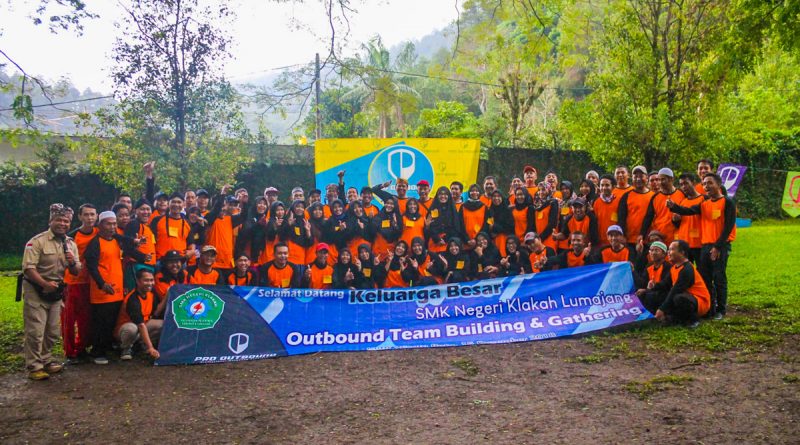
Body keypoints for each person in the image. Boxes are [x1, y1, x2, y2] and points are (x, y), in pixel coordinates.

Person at [21, 203, 81, 380]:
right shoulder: (37, 241)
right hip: (36, 288)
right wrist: (44, 284)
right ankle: (34, 366)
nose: (63, 224)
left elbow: (77, 270)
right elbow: (28, 268)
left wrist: (72, 261)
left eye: (66, 221)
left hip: (55, 291)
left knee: (53, 330)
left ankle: (46, 359)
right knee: (36, 330)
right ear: (50, 221)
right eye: (59, 220)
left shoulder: (70, 244)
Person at [667, 173, 736, 319]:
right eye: (704, 184)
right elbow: (688, 211)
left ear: (718, 184)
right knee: (705, 278)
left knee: (719, 277)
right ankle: (709, 308)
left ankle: (721, 309)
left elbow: (728, 226)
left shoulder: (727, 202)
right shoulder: (704, 204)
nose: (706, 186)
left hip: (720, 246)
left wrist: (718, 246)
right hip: (704, 246)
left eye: (710, 183)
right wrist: (674, 207)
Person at [85, 211, 149, 365]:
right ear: (100, 225)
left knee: (112, 320)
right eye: (109, 223)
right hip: (102, 291)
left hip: (117, 290)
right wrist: (102, 284)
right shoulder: (95, 243)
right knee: (101, 322)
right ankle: (97, 352)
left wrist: (141, 255)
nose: (112, 227)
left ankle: (108, 348)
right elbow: (91, 266)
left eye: (114, 224)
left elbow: (127, 247)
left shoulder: (115, 240)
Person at [640, 240, 711, 328]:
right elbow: (665, 284)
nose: (669, 253)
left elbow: (676, 290)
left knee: (678, 298)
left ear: (682, 252)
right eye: (669, 250)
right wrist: (650, 289)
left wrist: (662, 309)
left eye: (672, 249)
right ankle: (672, 318)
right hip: (684, 295)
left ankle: (692, 320)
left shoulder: (687, 269)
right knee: (657, 295)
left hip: (699, 302)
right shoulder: (674, 268)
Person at [62, 203, 97, 364]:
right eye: (86, 214)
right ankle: (70, 352)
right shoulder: (72, 237)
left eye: (92, 214)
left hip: (91, 282)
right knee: (69, 319)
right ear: (80, 216)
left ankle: (82, 348)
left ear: (96, 216)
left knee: (86, 318)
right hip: (73, 282)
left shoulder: (99, 233)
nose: (89, 218)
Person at [114, 268, 162, 361]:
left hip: (143, 324)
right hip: (126, 328)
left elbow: (156, 312)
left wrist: (167, 295)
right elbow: (140, 325)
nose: (150, 283)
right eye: (146, 280)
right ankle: (125, 348)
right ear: (138, 281)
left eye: (151, 280)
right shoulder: (132, 299)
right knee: (132, 329)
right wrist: (151, 347)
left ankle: (141, 345)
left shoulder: (151, 294)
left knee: (163, 324)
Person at [205, 186, 246, 274]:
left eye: (224, 206)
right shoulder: (210, 219)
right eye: (221, 206)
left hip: (227, 263)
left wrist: (244, 203)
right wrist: (223, 194)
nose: (223, 209)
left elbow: (244, 216)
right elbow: (215, 210)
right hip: (213, 263)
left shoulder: (230, 219)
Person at [641, 168, 684, 244]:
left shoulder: (681, 194)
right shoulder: (655, 197)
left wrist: (678, 219)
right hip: (660, 237)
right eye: (659, 180)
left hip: (677, 237)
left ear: (671, 179)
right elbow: (648, 218)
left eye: (663, 179)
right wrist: (641, 235)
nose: (660, 182)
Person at [150, 192, 194, 261]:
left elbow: (191, 242)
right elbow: (151, 239)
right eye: (173, 202)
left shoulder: (187, 223)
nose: (176, 204)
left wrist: (192, 251)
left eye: (179, 202)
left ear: (183, 204)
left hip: (180, 261)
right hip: (161, 260)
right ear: (168, 203)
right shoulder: (157, 220)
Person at [618, 165, 654, 247]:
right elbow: (621, 218)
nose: (638, 179)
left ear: (647, 178)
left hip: (649, 240)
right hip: (629, 240)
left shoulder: (653, 196)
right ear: (632, 178)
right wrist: (622, 235)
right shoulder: (626, 196)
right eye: (635, 176)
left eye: (641, 176)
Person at [673, 173, 704, 262]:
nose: (684, 187)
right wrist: (675, 220)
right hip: (685, 243)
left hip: (699, 243)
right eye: (681, 184)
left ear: (693, 183)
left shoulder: (703, 199)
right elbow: (678, 224)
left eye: (686, 183)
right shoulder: (683, 202)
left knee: (702, 269)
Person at [425, 186, 465, 253]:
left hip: (449, 243)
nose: (443, 196)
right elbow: (430, 226)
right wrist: (437, 239)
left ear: (449, 196)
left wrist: (445, 239)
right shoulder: (433, 208)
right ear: (437, 196)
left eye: (445, 194)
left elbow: (456, 227)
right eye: (440, 194)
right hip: (434, 243)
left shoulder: (452, 210)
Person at [634, 241, 670, 311]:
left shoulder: (668, 267)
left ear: (664, 254)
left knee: (651, 295)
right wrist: (633, 271)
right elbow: (643, 283)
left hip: (662, 294)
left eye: (656, 250)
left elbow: (665, 286)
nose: (653, 253)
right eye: (651, 250)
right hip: (650, 291)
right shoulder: (649, 266)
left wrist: (646, 290)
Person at [153, 250, 186, 317]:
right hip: (166, 311)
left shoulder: (186, 274)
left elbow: (196, 288)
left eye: (177, 262)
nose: (174, 265)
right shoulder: (159, 277)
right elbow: (169, 298)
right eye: (171, 262)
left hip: (185, 309)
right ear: (165, 264)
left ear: (181, 263)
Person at [593, 175, 620, 248]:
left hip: (615, 241)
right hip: (600, 242)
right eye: (602, 185)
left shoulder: (618, 201)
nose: (604, 188)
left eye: (607, 185)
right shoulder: (596, 202)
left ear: (613, 187)